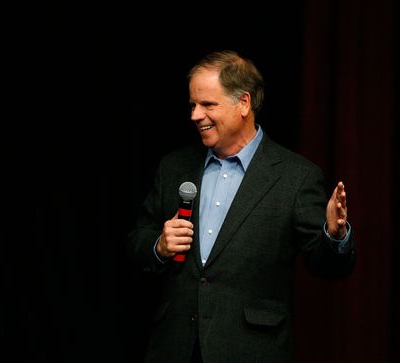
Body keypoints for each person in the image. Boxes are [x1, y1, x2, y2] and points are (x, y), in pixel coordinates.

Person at [126, 50, 355, 363]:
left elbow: (327, 267)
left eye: (207, 104)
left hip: (251, 349)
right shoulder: (174, 167)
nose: (195, 115)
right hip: (175, 347)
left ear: (244, 103)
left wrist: (334, 234)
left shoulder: (295, 176)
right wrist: (159, 245)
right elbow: (137, 241)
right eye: (193, 104)